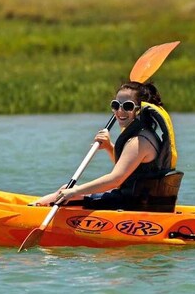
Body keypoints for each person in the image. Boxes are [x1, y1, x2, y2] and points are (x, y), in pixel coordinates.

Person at [32, 81, 182, 212]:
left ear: (139, 109)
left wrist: (75, 191)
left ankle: (31, 210)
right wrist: (110, 147)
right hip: (138, 202)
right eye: (115, 105)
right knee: (67, 190)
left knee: (66, 192)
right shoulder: (146, 135)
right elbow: (127, 170)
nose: (120, 111)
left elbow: (115, 179)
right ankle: (33, 206)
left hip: (130, 206)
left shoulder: (139, 141)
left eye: (127, 106)